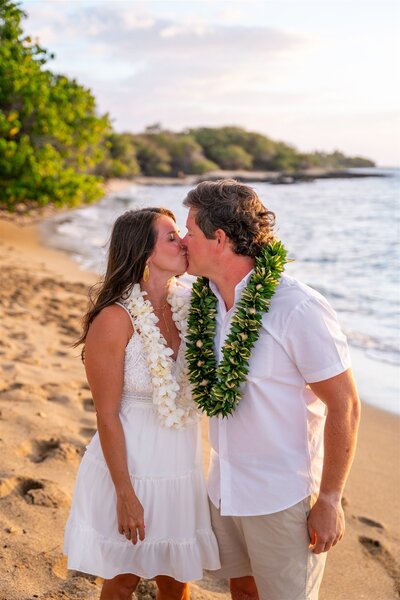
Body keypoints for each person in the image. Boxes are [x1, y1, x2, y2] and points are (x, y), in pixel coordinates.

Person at [181, 180, 361, 600]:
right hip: (224, 488)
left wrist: (331, 498)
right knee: (242, 591)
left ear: (219, 239)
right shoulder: (206, 300)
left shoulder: (297, 307)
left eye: (190, 232)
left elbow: (345, 404)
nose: (184, 241)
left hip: (283, 497)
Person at [64, 207, 220, 600]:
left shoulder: (190, 304)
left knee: (176, 577)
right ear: (144, 252)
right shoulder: (114, 319)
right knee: (123, 578)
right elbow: (106, 413)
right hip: (129, 465)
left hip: (179, 465)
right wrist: (125, 493)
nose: (183, 242)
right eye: (171, 237)